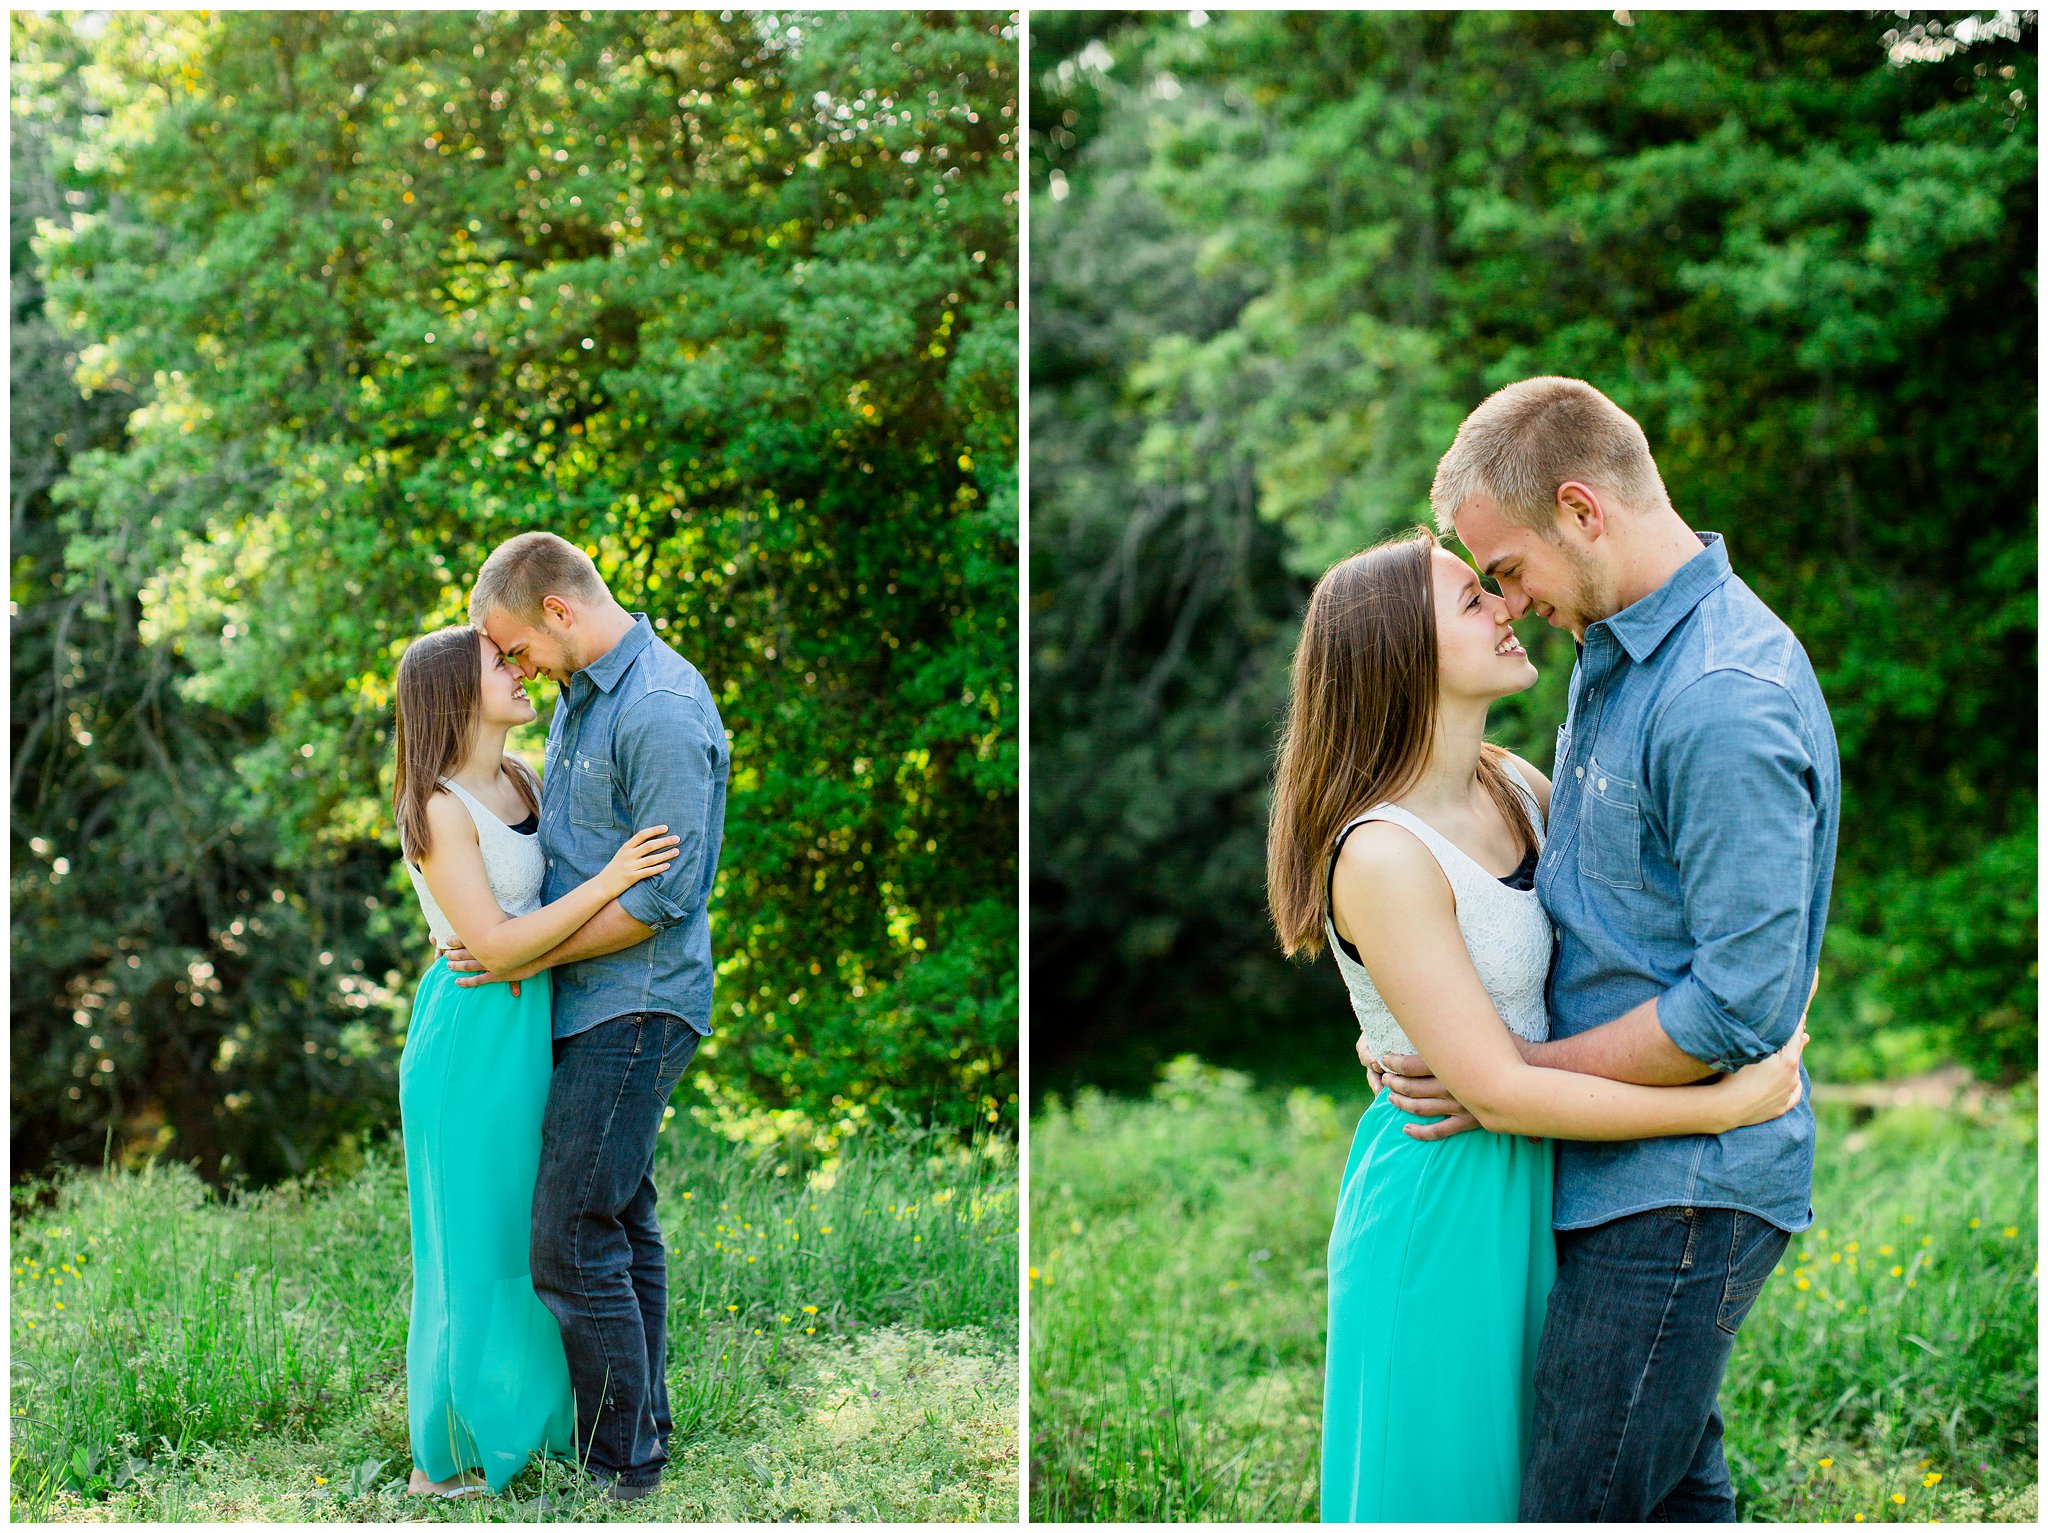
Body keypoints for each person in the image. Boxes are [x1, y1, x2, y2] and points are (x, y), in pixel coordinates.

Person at [1266, 521, 1812, 1522]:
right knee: (1453, 1487)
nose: (1506, 605)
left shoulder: (1516, 786)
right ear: (1396, 653)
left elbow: (1634, 939)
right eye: (1470, 600)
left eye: (1495, 589)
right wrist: (1718, 1106)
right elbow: (1495, 1087)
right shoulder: (1380, 855)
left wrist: (1767, 979)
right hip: (1443, 1193)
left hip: (1549, 1174)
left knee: (1569, 1461)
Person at [1363, 376, 1841, 1520]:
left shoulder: (1719, 697)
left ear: (1582, 511)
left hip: (1676, 1196)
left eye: (1510, 570)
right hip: (1610, 1183)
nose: (1511, 604)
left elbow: (1733, 1008)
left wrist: (1505, 1087)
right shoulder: (1620, 652)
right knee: (1673, 1499)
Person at [442, 531, 730, 1501]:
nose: (512, 667)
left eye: (514, 646)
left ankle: (621, 1470)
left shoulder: (656, 710)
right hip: (584, 1005)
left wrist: (517, 952)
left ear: (557, 614)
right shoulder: (581, 700)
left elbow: (663, 898)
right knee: (619, 1218)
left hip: (638, 1004)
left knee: (567, 1234)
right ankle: (642, 1429)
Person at [393, 623, 680, 1498]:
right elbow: (494, 944)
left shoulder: (522, 777)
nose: (519, 673)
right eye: (498, 663)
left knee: (538, 1233)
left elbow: (529, 930)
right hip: (471, 1040)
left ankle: (542, 1423)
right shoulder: (439, 806)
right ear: (452, 690)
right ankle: (451, 1449)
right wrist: (613, 881)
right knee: (475, 1242)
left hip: (534, 1028)